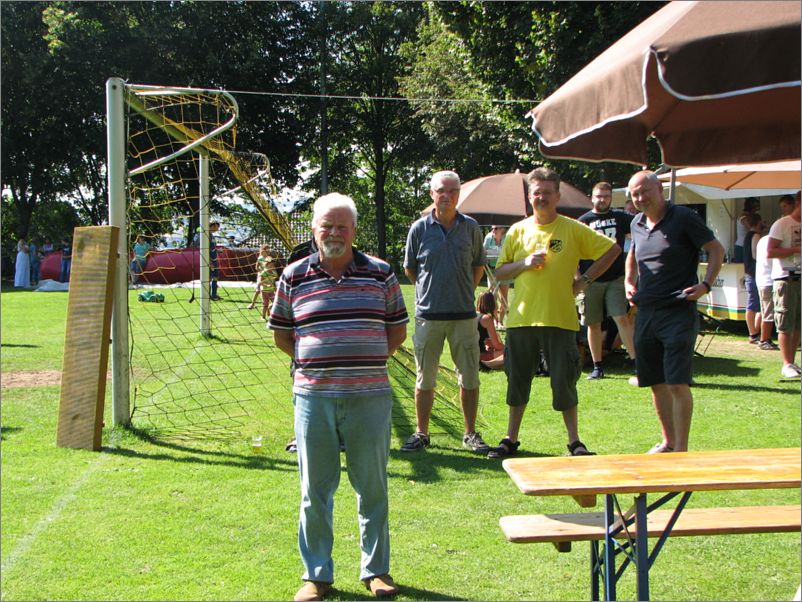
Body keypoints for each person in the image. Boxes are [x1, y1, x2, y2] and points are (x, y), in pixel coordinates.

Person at [269, 193, 408, 602]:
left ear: (354, 231)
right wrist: (318, 365)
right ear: (314, 230)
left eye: (341, 227)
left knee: (373, 487)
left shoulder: (381, 273)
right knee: (315, 490)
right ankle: (316, 575)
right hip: (313, 398)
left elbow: (397, 330)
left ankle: (376, 571)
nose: (334, 233)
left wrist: (362, 360)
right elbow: (282, 334)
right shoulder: (293, 275)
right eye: (326, 226)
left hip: (369, 397)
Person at [488, 167, 621, 459]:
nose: (542, 198)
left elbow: (612, 250)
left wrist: (584, 280)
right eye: (537, 193)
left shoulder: (572, 228)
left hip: (560, 319)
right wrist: (524, 263)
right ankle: (510, 438)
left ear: (557, 196)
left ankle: (574, 442)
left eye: (547, 193)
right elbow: (500, 271)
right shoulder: (517, 230)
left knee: (564, 382)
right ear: (529, 196)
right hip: (522, 320)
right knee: (517, 381)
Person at [625, 171, 725, 453]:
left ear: (659, 188)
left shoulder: (683, 217)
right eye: (635, 194)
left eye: (645, 191)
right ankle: (668, 443)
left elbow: (716, 249)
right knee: (655, 382)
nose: (640, 198)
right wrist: (628, 281)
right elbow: (632, 253)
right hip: (646, 311)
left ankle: (681, 450)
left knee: (677, 383)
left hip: (678, 311)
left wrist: (706, 285)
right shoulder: (636, 222)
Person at [401, 170, 489, 454]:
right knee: (424, 378)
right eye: (441, 190)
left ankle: (470, 433)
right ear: (432, 194)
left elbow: (478, 266)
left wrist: (461, 292)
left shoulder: (471, 228)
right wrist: (432, 292)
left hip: (463, 316)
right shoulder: (419, 229)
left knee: (470, 377)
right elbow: (411, 269)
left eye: (452, 190)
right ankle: (422, 433)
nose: (447, 196)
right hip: (428, 317)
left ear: (459, 194)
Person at [577, 181, 637, 380]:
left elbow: (643, 224)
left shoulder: (620, 217)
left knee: (621, 317)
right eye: (599, 196)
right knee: (593, 323)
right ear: (592, 197)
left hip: (615, 278)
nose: (602, 200)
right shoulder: (583, 221)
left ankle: (636, 363)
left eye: (606, 196)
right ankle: (597, 366)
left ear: (611, 198)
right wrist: (578, 278)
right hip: (591, 280)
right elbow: (574, 250)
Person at [766, 191, 801, 378]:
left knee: (798, 324)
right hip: (786, 278)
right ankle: (786, 364)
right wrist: (795, 249)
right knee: (785, 322)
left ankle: (792, 363)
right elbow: (770, 251)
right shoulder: (782, 224)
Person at [755, 229, 779, 350]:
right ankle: (764, 340)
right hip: (769, 280)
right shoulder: (772, 241)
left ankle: (765, 339)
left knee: (766, 311)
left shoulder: (762, 240)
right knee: (768, 312)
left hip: (763, 279)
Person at [742, 213, 763, 344]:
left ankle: (755, 332)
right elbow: (756, 255)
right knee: (755, 304)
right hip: (754, 273)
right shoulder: (755, 236)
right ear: (758, 222)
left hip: (749, 272)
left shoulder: (747, 236)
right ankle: (753, 333)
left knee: (756, 304)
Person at [484, 225, 511, 325]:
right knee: (493, 296)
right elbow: (483, 251)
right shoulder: (488, 238)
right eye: (492, 228)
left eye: (496, 228)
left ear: (502, 229)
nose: (493, 230)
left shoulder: (507, 238)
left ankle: (501, 321)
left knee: (504, 297)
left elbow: (510, 253)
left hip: (504, 270)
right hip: (491, 270)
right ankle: (495, 321)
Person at [247, 244, 278, 320]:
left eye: (269, 250)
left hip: (269, 276)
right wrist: (262, 272)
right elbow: (256, 267)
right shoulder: (260, 258)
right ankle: (252, 304)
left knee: (273, 300)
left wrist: (271, 271)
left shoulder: (269, 258)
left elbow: (272, 267)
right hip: (262, 275)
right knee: (258, 290)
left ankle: (268, 309)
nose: (268, 251)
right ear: (263, 250)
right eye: (267, 249)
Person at [476, 291, 505, 371]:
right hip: (479, 356)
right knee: (510, 352)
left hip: (468, 354)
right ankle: (487, 364)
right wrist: (508, 347)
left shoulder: (474, 315)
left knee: (496, 337)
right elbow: (497, 345)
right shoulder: (486, 319)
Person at [192, 222, 220, 300]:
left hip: (214, 259)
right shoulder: (205, 236)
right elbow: (205, 250)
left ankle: (214, 294)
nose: (217, 229)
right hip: (209, 260)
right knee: (209, 278)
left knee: (215, 277)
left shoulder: (212, 236)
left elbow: (212, 248)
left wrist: (217, 251)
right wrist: (209, 262)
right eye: (217, 227)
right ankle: (209, 295)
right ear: (212, 226)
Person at [734, 197, 761, 262]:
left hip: (746, 245)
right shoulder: (744, 218)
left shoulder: (748, 216)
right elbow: (752, 229)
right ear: (751, 207)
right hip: (741, 246)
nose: (756, 210)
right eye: (755, 207)